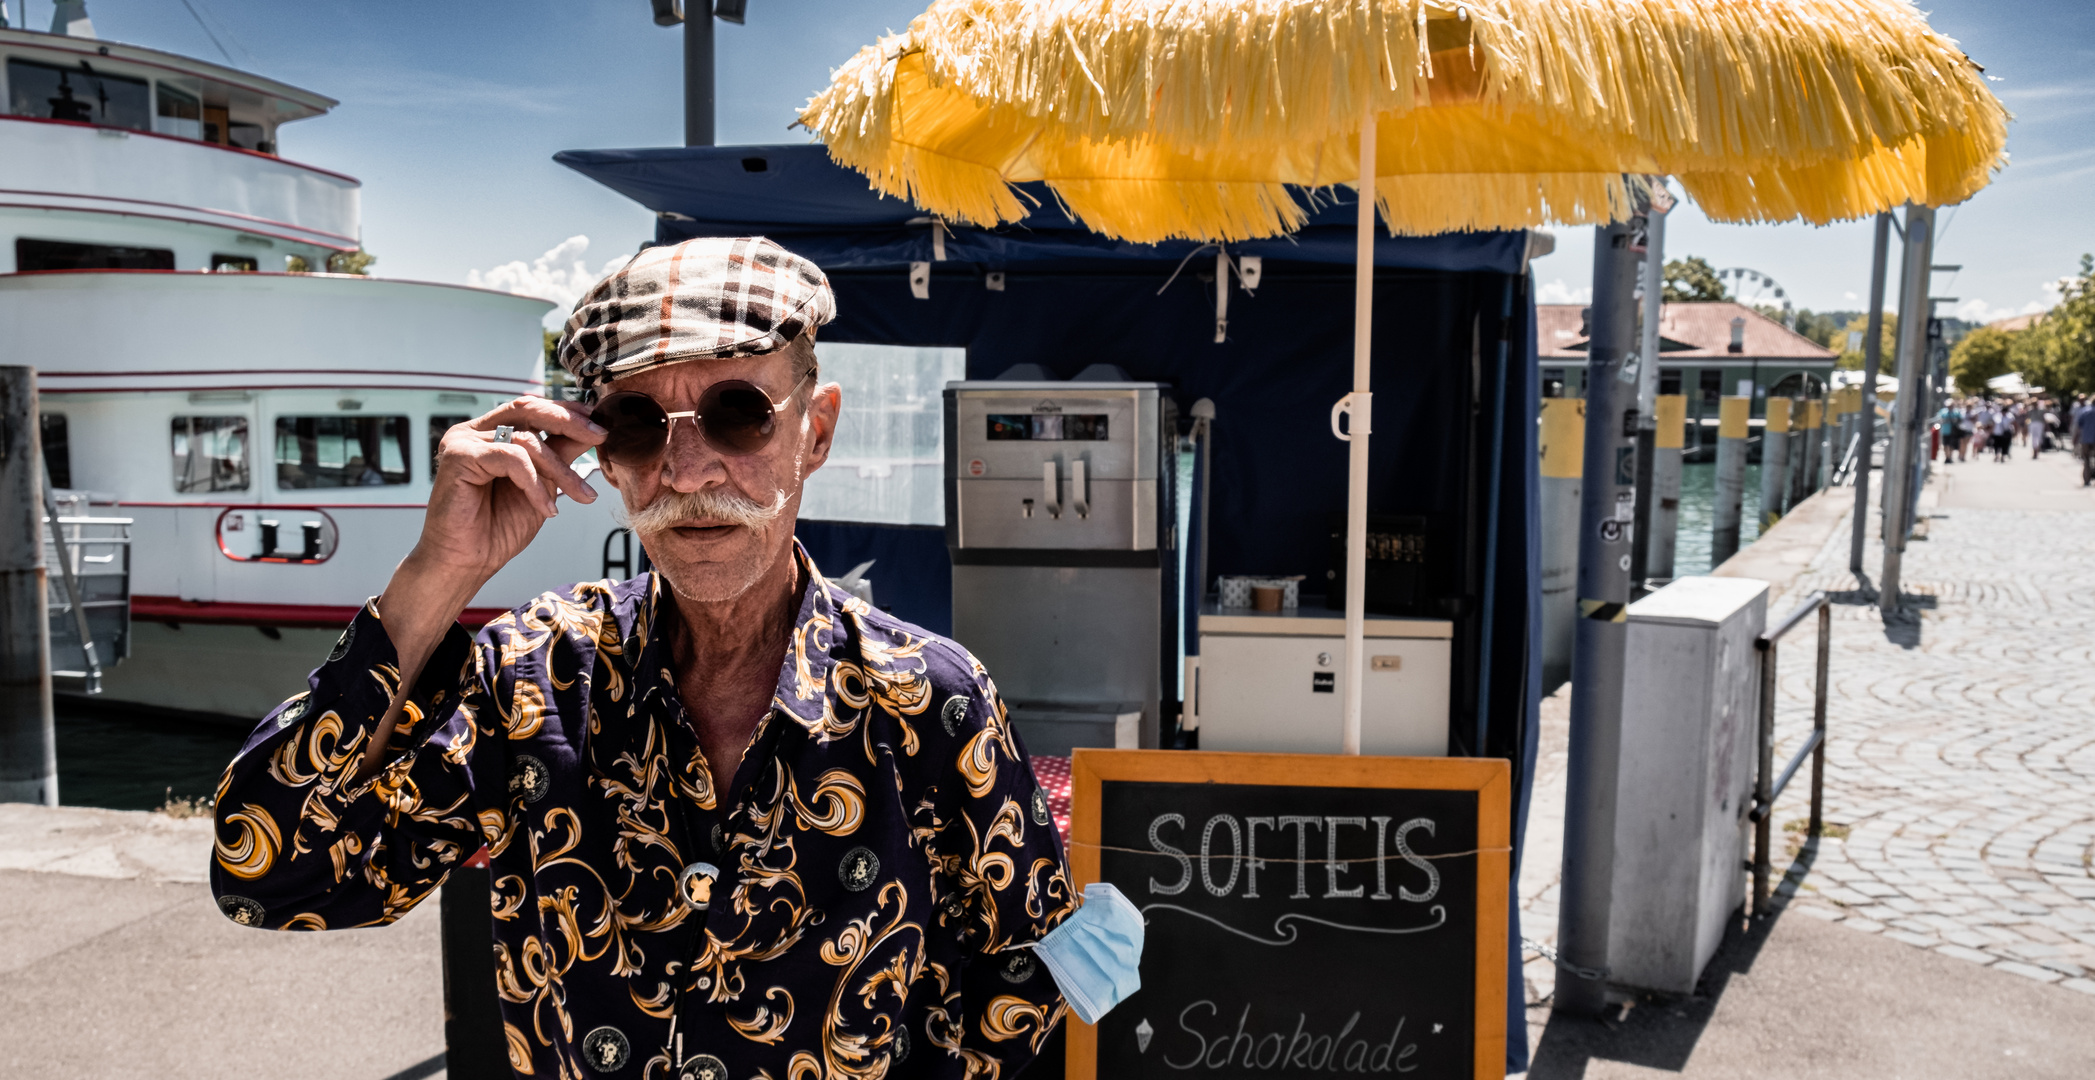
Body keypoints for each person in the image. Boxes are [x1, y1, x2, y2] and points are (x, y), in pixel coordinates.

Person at [209, 238, 1085, 1078]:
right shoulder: (533, 676)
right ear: (601, 453)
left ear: (814, 433)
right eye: (636, 424)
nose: (688, 469)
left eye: (737, 413)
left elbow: (1028, 979)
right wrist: (441, 573)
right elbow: (275, 877)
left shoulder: (927, 700)